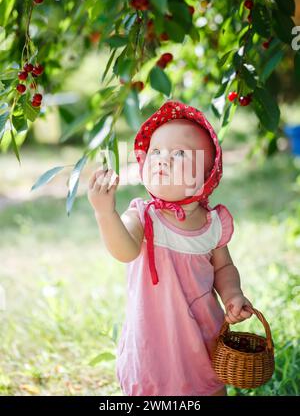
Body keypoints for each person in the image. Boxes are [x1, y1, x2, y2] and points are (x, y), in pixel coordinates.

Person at [87, 100, 253, 396]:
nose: (163, 159)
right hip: (152, 340)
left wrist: (233, 294)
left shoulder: (212, 224)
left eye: (179, 154)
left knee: (208, 387)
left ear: (206, 176)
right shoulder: (142, 216)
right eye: (156, 152)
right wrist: (105, 214)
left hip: (201, 337)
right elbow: (124, 250)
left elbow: (224, 267)